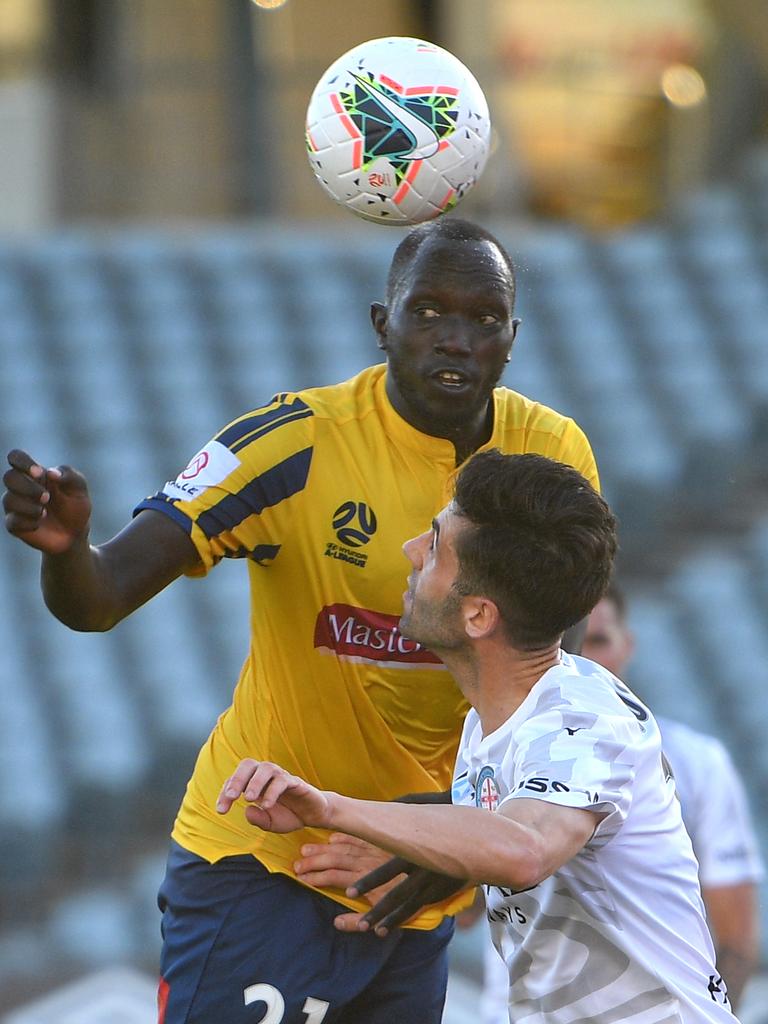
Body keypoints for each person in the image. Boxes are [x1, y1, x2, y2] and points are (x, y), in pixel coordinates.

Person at [2, 218, 600, 1024]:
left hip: (412, 878)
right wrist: (67, 549)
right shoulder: (293, 444)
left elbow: (552, 684)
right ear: (382, 324)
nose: (456, 339)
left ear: (512, 338)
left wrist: (450, 844)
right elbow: (100, 596)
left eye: (483, 320)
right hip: (263, 861)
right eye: (428, 313)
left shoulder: (552, 458)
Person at [217, 451, 738, 1024]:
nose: (410, 552)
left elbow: (524, 850)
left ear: (478, 616)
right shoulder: (490, 722)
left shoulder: (584, 720)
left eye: (436, 545)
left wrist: (331, 809)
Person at [475, 583, 764, 1023]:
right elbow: (459, 913)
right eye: (571, 643)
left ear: (629, 646)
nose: (584, 657)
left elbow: (735, 938)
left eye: (599, 640)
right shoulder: (487, 749)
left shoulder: (698, 762)